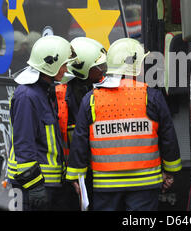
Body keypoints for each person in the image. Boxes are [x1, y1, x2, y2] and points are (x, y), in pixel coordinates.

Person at [66, 38, 182, 211]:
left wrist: (77, 177)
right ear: (135, 64)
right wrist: (170, 173)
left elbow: (79, 143)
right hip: (145, 183)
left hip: (105, 185)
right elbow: (168, 139)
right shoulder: (152, 96)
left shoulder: (90, 99)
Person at [7, 35, 75, 211]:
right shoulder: (27, 96)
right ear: (50, 64)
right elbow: (24, 145)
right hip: (32, 185)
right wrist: (35, 186)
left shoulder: (42, 92)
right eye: (64, 63)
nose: (66, 68)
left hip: (47, 184)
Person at [55, 37, 107, 210]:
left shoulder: (94, 89)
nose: (102, 71)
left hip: (89, 172)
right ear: (81, 70)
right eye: (97, 67)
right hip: (66, 176)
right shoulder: (60, 96)